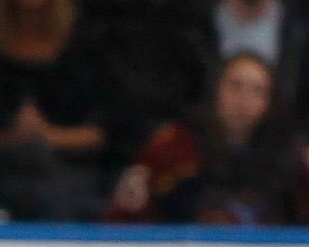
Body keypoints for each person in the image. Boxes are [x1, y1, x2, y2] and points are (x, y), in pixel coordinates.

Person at [0, 0, 114, 217]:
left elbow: (103, 131)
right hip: (4, 171)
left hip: (70, 172)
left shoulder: (84, 45)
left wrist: (46, 135)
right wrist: (13, 139)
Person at [108, 50, 303, 219]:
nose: (244, 100)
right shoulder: (174, 146)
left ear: (269, 103)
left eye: (257, 91)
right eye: (235, 86)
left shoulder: (288, 154)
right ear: (216, 90)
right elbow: (127, 217)